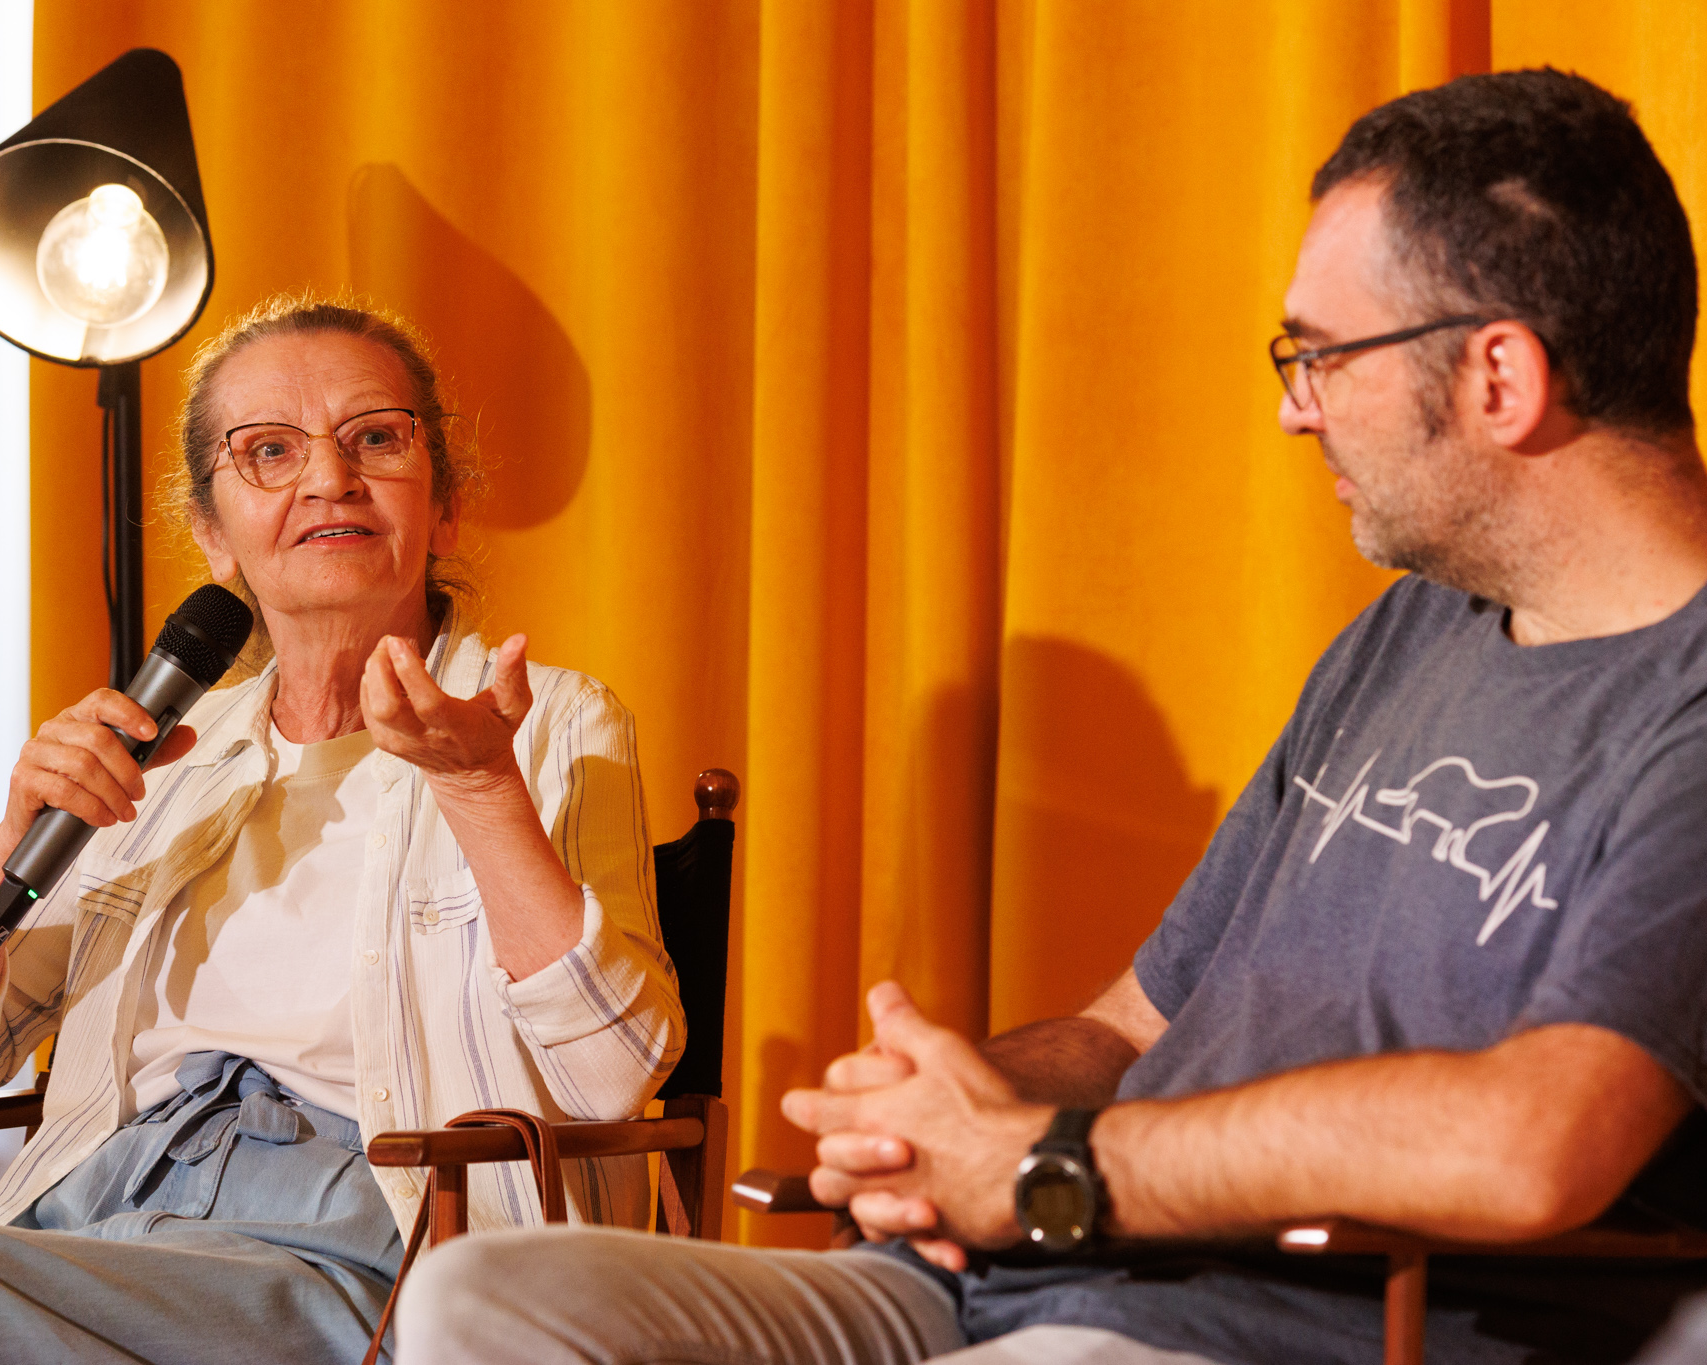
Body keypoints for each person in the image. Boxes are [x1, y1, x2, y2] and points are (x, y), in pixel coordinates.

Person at [394, 67, 1707, 1365]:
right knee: (483, 1299)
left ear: (1497, 376)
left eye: (1320, 355)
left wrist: (1046, 1166)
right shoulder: (1409, 631)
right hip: (996, 1284)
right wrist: (942, 1114)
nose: (1291, 408)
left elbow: (1532, 1145)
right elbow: (1131, 1028)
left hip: (1250, 1332)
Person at [0, 296, 684, 1364]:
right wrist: (12, 838)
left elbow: (613, 1074)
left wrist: (480, 789)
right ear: (213, 535)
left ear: (444, 506)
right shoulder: (165, 753)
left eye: (376, 439)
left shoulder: (546, 725)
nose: (329, 478)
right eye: (269, 451)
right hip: (102, 1224)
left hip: (366, 1254)